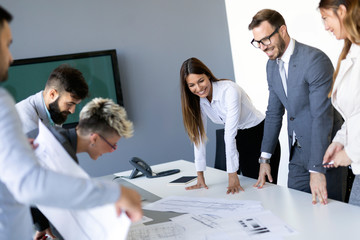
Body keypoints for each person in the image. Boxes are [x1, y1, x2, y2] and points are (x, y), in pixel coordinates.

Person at [0, 6, 142, 239]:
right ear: (53, 94)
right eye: (6, 44)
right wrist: (116, 193)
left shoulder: (49, 119)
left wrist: (41, 225)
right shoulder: (19, 116)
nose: (11, 57)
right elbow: (32, 183)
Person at [248, 9, 347, 204]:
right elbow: (274, 112)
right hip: (297, 154)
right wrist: (264, 159)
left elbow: (322, 116)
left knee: (331, 216)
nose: (262, 47)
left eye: (266, 39)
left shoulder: (314, 60)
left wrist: (317, 168)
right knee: (299, 213)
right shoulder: (271, 66)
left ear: (282, 30)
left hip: (325, 153)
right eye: (257, 42)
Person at [30, 97, 134, 239]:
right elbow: (67, 223)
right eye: (112, 145)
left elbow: (37, 193)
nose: (112, 151)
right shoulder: (61, 155)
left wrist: (42, 225)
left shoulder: (53, 136)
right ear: (94, 138)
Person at [179, 57, 280, 194]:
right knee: (249, 192)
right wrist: (200, 175)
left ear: (208, 75)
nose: (198, 88)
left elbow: (229, 135)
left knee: (265, 191)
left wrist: (232, 175)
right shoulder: (198, 100)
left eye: (201, 81)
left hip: (260, 136)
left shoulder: (229, 90)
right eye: (192, 85)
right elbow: (198, 137)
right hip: (239, 139)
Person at [319, 0, 360, 206]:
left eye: (326, 18)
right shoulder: (351, 52)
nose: (325, 26)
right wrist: (339, 142)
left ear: (342, 11)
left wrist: (351, 152)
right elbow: (354, 115)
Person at [16, 63, 89, 134]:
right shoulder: (26, 118)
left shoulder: (54, 111)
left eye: (76, 104)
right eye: (69, 104)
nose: (72, 111)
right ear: (52, 94)